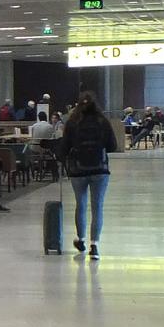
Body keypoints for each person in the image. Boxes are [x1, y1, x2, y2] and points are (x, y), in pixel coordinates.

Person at [62, 90, 119, 260]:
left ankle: (80, 239)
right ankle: (94, 245)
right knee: (97, 206)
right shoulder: (102, 121)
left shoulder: (72, 122)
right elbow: (113, 145)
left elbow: (64, 147)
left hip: (78, 170)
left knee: (80, 204)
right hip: (99, 169)